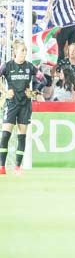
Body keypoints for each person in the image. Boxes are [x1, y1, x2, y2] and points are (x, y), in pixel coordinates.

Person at [0, 41, 41, 176]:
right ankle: (2, 167)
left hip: (25, 105)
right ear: (15, 52)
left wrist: (34, 92)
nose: (24, 53)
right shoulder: (7, 66)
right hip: (11, 104)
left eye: (25, 50)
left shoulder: (30, 67)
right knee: (5, 135)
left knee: (21, 136)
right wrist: (4, 92)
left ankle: (17, 167)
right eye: (22, 50)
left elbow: (44, 80)